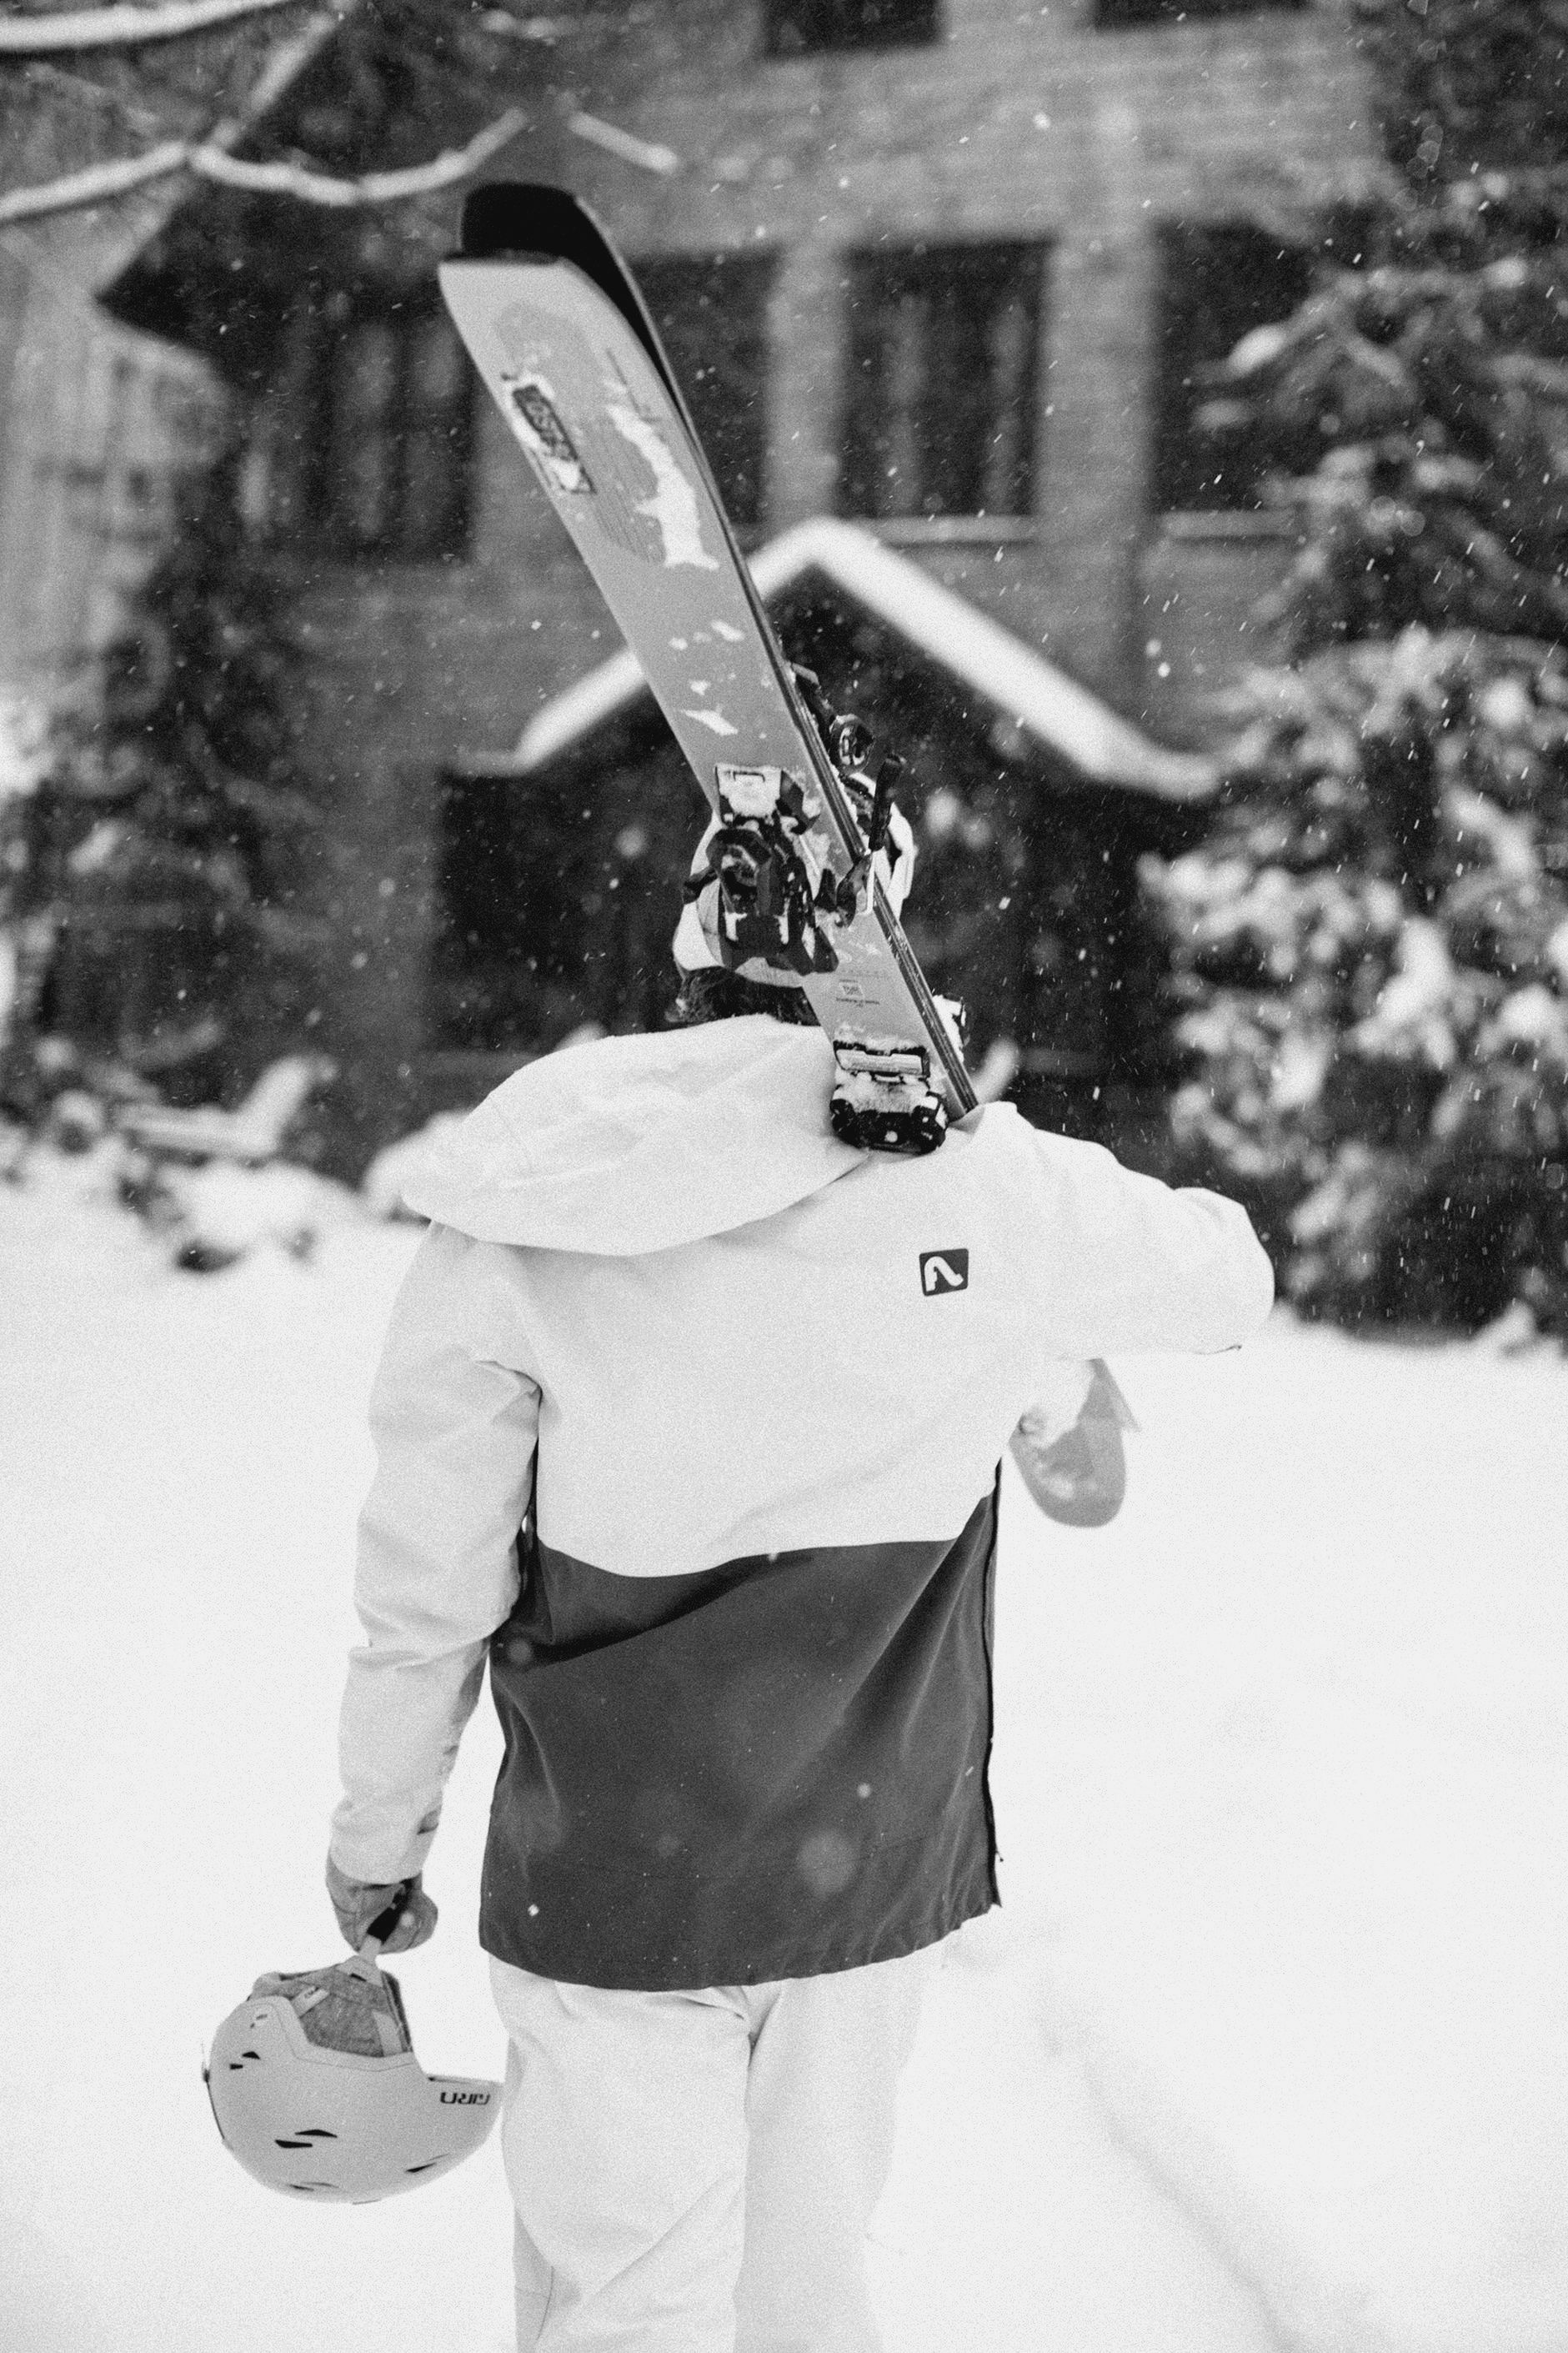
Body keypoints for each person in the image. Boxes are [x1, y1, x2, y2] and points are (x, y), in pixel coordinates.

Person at [324, 798, 1274, 2353]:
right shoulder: (988, 1191)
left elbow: (425, 1588)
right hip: (855, 1878)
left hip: (607, 1883)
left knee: (623, 2312)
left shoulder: (535, 1196)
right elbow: (1229, 1276)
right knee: (804, 2300)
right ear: (890, 933)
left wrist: (378, 1835)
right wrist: (1003, 1231)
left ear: (695, 942)